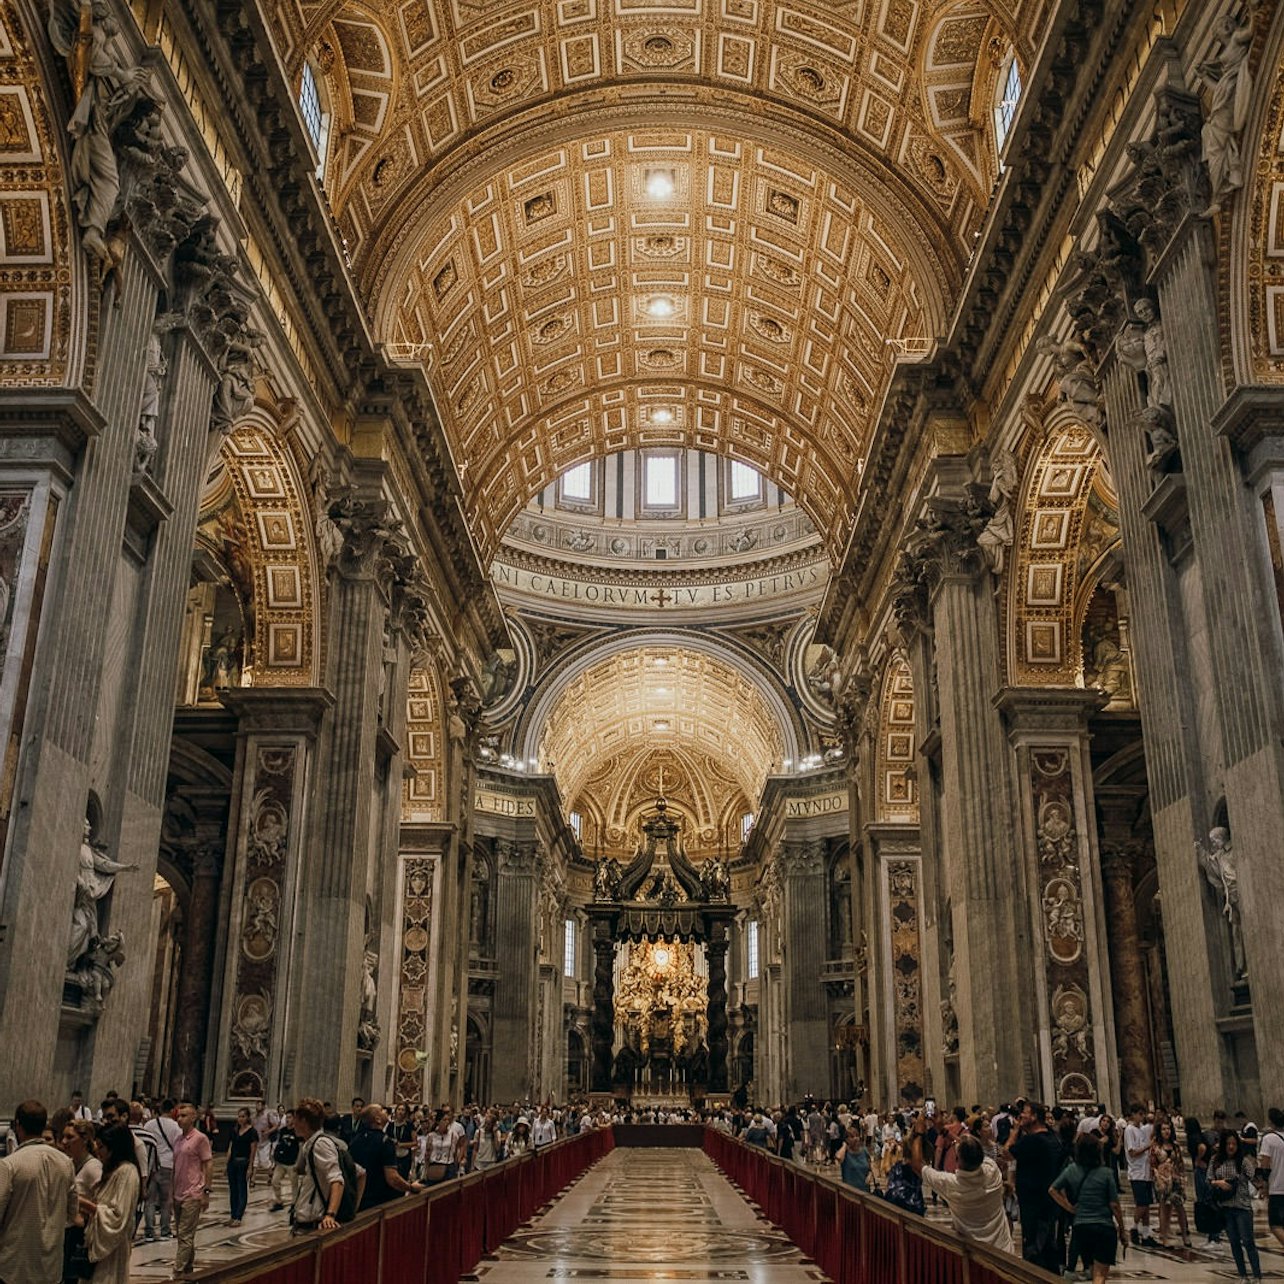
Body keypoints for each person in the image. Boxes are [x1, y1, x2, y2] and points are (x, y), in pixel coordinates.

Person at [0, 1099, 78, 1284]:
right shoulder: (66, 1163)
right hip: (51, 1265)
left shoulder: (10, 1164)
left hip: (15, 1266)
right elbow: (71, 1213)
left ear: (18, 1125)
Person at [912, 1132, 1013, 1252]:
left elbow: (917, 1164)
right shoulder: (992, 1170)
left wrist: (918, 1134)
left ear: (958, 1160)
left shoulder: (951, 1184)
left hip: (974, 1254)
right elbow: (973, 1150)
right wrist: (946, 1132)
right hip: (1003, 1250)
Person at [1050, 1133, 1126, 1284]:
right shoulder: (1106, 1173)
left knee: (1092, 1269)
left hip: (1081, 1228)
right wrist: (1122, 1229)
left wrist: (1069, 1207)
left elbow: (1052, 1190)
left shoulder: (1071, 1170)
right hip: (1103, 1226)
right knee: (1100, 1275)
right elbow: (1114, 1205)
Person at [1009, 1100, 1066, 1272]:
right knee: (1048, 1247)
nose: (1021, 1116)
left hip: (1035, 1204)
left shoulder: (1033, 1141)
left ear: (1034, 1117)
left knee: (1036, 1251)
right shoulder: (1052, 1137)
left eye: (1024, 1112)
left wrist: (1016, 1130)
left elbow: (1006, 1152)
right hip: (1049, 1203)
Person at [292, 1098, 362, 1232]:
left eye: (296, 1119)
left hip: (313, 1224)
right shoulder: (312, 1143)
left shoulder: (320, 1144)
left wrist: (331, 1215)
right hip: (305, 1220)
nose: (293, 1123)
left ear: (304, 1121)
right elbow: (360, 1172)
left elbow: (337, 1180)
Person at [82, 1123, 141, 1284]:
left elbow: (118, 1217)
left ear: (115, 1148)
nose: (98, 1152)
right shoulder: (112, 1171)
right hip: (98, 1241)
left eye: (101, 1147)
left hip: (112, 1247)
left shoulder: (127, 1172)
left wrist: (86, 1205)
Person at [1210, 1130, 1262, 1281]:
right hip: (1225, 1207)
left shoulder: (1243, 1161)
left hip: (1242, 1207)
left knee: (1248, 1241)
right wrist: (1218, 1182)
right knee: (1234, 1241)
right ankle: (1243, 1275)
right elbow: (1208, 1179)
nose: (1231, 1147)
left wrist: (1262, 1184)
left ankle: (1257, 1275)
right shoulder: (1216, 1161)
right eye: (1228, 1144)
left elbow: (1255, 1178)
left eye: (1234, 1144)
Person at [350, 1106, 422, 1209]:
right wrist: (410, 1187)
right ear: (377, 1119)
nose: (386, 1111)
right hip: (380, 1201)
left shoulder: (355, 1140)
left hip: (360, 1198)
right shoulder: (385, 1142)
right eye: (382, 1110)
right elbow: (392, 1178)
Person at [171, 1099, 213, 1275]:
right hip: (178, 1192)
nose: (180, 1119)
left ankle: (177, 1272)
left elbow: (208, 1164)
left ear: (193, 1117)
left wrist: (206, 1191)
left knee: (186, 1235)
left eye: (184, 1115)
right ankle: (188, 1270)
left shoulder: (200, 1138)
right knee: (184, 1235)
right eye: (178, 1116)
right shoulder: (178, 1139)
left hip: (193, 1192)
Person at [142, 1099, 181, 1241]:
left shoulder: (149, 1124)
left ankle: (149, 1231)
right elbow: (178, 1148)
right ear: (172, 1111)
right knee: (166, 1200)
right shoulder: (175, 1127)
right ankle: (165, 1230)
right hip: (167, 1165)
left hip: (152, 1165)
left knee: (150, 1200)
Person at [1150, 1116, 1191, 1248]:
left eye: (1168, 1129)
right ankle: (1164, 1236)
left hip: (1175, 1178)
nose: (1166, 1131)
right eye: (1163, 1129)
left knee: (1179, 1207)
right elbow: (1152, 1164)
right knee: (1164, 1208)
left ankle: (1185, 1234)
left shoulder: (1175, 1146)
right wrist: (1157, 1177)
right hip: (1162, 1179)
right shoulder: (1155, 1146)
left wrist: (1182, 1177)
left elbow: (1180, 1163)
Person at [1122, 1103, 1156, 1245]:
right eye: (1140, 1114)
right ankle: (1133, 1227)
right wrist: (1148, 1146)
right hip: (1136, 1172)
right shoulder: (1129, 1130)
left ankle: (1146, 1234)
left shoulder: (1141, 1129)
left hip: (1146, 1171)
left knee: (1147, 1205)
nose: (1142, 1117)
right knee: (1142, 1203)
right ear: (1133, 1114)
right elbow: (1132, 1152)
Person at [1258, 1106, 1284, 1250]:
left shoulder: (1269, 1139)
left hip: (1277, 1187)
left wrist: (1263, 1185)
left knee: (1275, 1225)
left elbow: (1265, 1164)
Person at [226, 1107, 257, 1227]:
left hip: (244, 1162)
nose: (240, 1119)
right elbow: (231, 1146)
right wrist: (227, 1162)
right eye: (239, 1116)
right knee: (233, 1189)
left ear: (248, 1117)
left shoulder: (252, 1132)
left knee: (241, 1189)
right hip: (233, 1162)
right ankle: (233, 1215)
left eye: (243, 1116)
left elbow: (253, 1150)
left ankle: (239, 1216)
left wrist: (250, 1167)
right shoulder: (234, 1130)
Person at [270, 1112, 300, 1212]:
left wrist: (299, 1161)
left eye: (290, 1117)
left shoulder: (298, 1131)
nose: (288, 1119)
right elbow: (279, 1144)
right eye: (286, 1117)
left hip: (292, 1162)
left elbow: (300, 1147)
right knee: (275, 1181)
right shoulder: (283, 1131)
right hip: (281, 1162)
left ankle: (294, 1204)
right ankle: (278, 1201)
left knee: (294, 1184)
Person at [836, 1125, 870, 1191]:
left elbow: (869, 1168)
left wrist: (869, 1176)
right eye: (852, 1137)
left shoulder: (864, 1150)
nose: (855, 1138)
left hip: (864, 1190)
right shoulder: (845, 1153)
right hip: (850, 1191)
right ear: (847, 1139)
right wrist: (844, 1145)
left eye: (857, 1136)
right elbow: (839, 1157)